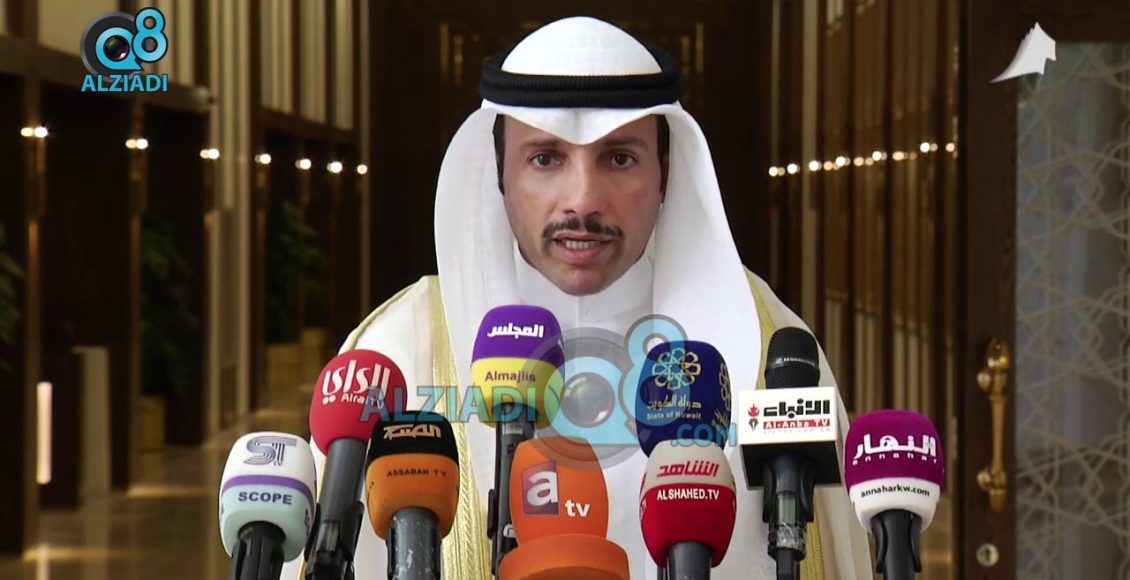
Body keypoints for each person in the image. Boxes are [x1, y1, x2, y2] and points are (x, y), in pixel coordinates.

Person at [282, 16, 872, 579]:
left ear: (665, 172)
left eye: (620, 158)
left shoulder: (770, 348)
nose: (583, 200)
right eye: (546, 159)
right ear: (499, 172)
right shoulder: (400, 349)